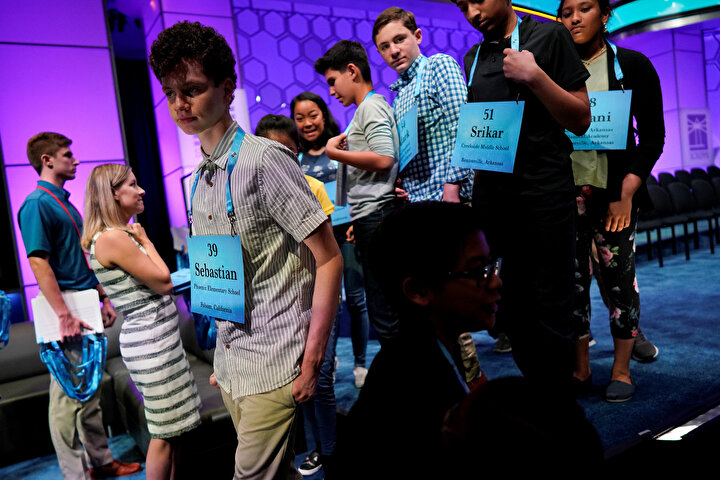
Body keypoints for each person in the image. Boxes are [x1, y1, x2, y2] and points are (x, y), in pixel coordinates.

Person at [149, 21, 343, 479]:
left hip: (278, 360)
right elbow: (219, 272)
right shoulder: (199, 179)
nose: (181, 103)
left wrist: (312, 359)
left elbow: (329, 258)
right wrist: (225, 355)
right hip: (234, 364)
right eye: (171, 91)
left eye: (193, 89)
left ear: (227, 86)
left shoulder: (264, 161)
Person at [453, 0, 591, 394]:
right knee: (511, 309)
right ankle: (539, 394)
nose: (472, 11)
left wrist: (535, 77)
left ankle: (555, 404)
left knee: (550, 304)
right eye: (463, 6)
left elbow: (581, 119)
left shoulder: (548, 35)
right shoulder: (474, 56)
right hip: (494, 196)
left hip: (544, 193)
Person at [335, 201, 502, 479]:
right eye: (476, 272)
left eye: (490, 267)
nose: (495, 283)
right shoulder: (415, 385)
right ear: (417, 290)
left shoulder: (428, 350)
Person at [17, 132, 142, 480]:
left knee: (89, 395)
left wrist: (101, 296)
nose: (74, 160)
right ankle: (75, 475)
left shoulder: (64, 203)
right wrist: (63, 315)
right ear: (47, 160)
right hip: (66, 313)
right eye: (67, 154)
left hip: (84, 305)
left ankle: (101, 463)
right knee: (65, 400)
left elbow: (80, 260)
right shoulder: (37, 204)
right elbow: (39, 263)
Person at [558, 0, 665, 402]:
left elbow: (653, 135)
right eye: (567, 11)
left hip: (614, 197)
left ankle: (621, 370)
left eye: (585, 8)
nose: (574, 18)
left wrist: (628, 191)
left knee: (620, 284)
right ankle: (581, 368)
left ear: (604, 16)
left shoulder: (633, 66)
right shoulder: (553, 70)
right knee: (572, 286)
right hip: (565, 198)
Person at [82, 164, 202, 479]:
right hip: (151, 344)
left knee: (174, 431)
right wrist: (146, 239)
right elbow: (164, 282)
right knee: (164, 433)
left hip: (158, 341)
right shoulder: (112, 238)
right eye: (133, 185)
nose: (141, 190)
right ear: (113, 194)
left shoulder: (117, 235)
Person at [255, 113, 338, 477]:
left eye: (288, 153)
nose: (281, 162)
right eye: (272, 152)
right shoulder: (251, 195)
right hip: (282, 309)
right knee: (294, 385)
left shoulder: (313, 188)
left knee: (319, 381)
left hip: (318, 301)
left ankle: (330, 451)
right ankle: (310, 447)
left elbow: (328, 254)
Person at [314, 40, 402, 346]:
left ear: (352, 71)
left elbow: (383, 158)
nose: (332, 91)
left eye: (332, 82)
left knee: (385, 311)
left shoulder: (370, 107)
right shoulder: (366, 110)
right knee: (384, 308)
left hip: (378, 216)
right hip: (371, 217)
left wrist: (334, 154)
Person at [291, 92, 371, 390]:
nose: (307, 123)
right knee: (327, 304)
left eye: (312, 115)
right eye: (300, 118)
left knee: (357, 300)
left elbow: (358, 184)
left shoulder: (341, 146)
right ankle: (330, 358)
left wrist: (355, 221)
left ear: (323, 114)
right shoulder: (294, 158)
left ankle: (361, 363)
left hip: (348, 232)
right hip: (318, 239)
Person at [372, 7, 473, 203]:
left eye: (399, 39)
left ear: (417, 36)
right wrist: (399, 180)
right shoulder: (399, 96)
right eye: (384, 46)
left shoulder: (438, 65)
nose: (393, 51)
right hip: (418, 202)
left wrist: (452, 186)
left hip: (449, 199)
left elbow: (464, 128)